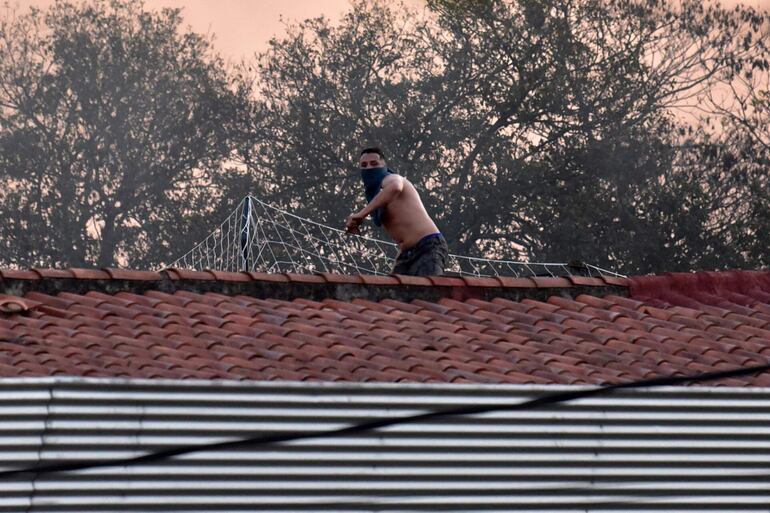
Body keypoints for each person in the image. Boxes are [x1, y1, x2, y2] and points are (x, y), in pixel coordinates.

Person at [345, 147, 448, 276]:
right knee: (396, 292)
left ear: (384, 165)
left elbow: (396, 187)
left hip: (428, 246)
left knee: (429, 292)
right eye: (364, 165)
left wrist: (361, 214)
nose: (369, 168)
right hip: (406, 254)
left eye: (374, 163)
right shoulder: (378, 194)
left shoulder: (390, 178)